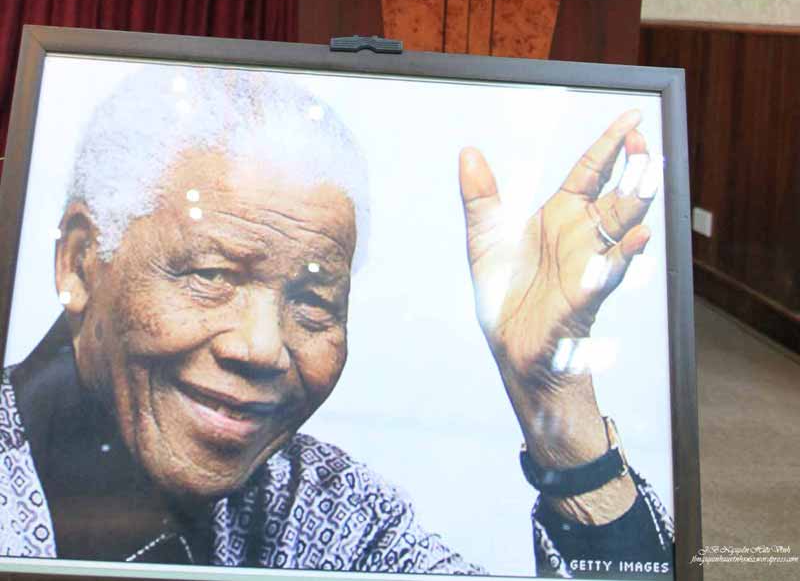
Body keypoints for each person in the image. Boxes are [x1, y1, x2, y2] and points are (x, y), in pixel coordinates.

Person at [0, 67, 672, 577]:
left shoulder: (328, 509)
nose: (262, 347)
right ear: (80, 262)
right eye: (211, 275)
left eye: (313, 302)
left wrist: (556, 403)